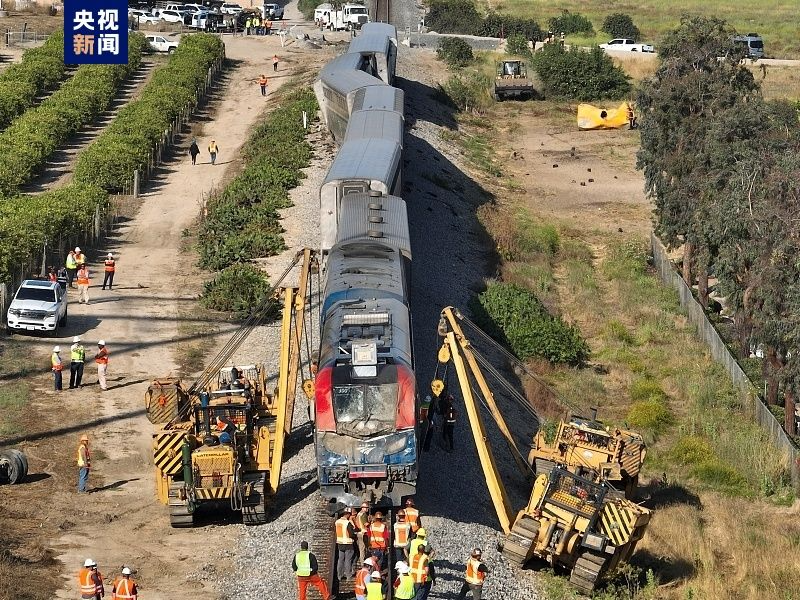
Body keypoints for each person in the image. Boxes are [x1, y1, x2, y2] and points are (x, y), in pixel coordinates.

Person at [335, 508, 357, 580]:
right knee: (348, 560)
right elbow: (351, 534)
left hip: (340, 543)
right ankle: (348, 576)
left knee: (340, 559)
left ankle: (339, 575)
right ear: (347, 514)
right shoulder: (347, 523)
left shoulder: (337, 522)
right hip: (348, 544)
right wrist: (355, 535)